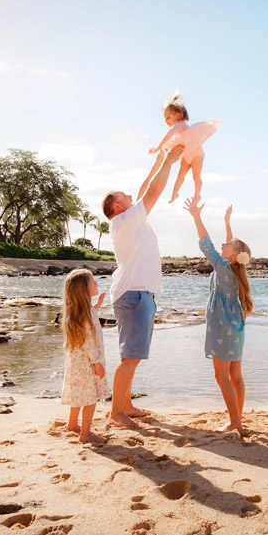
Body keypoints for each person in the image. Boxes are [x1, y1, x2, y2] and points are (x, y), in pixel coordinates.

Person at [102, 145, 185, 427]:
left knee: (133, 356)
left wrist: (162, 158)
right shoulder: (124, 221)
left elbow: (146, 186)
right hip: (133, 295)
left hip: (140, 294)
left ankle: (126, 405)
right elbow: (153, 191)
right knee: (129, 357)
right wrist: (171, 162)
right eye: (123, 196)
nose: (129, 195)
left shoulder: (131, 219)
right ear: (117, 206)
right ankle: (116, 412)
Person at [183, 201, 253, 436]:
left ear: (233, 255)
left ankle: (235, 422)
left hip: (223, 328)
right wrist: (227, 222)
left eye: (228, 245)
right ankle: (237, 418)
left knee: (222, 376)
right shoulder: (234, 267)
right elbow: (229, 245)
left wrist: (196, 217)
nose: (224, 244)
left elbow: (207, 245)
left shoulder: (223, 266)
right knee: (235, 376)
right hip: (237, 326)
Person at [137, 90, 221, 205]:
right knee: (180, 175)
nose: (165, 121)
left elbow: (168, 136)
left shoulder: (178, 125)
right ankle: (174, 193)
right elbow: (172, 140)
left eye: (167, 117)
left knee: (196, 175)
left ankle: (197, 195)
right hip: (187, 155)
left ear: (177, 115)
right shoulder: (179, 129)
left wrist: (158, 147)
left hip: (197, 154)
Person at [60, 268, 109, 443]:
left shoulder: (81, 312)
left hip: (77, 363)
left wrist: (98, 304)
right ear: (84, 290)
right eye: (93, 281)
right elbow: (88, 341)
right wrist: (97, 363)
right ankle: (86, 434)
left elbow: (91, 314)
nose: (96, 283)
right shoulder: (85, 314)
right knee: (90, 397)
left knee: (78, 394)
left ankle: (72, 424)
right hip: (88, 362)